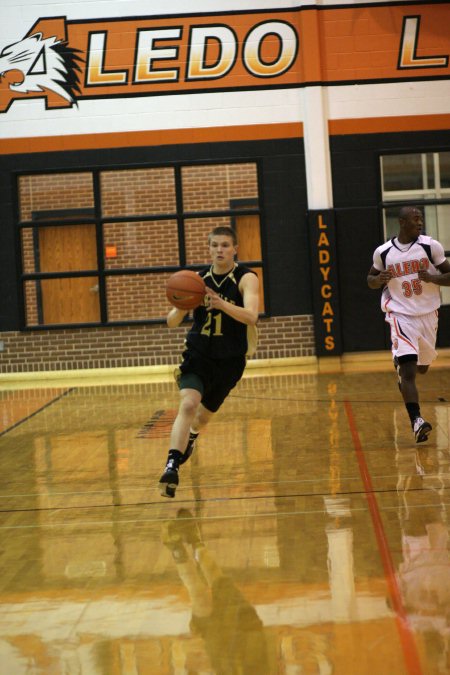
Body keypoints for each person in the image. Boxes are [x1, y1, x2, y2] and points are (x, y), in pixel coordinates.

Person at [159, 226, 259, 498]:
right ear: (209, 248)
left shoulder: (246, 278)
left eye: (225, 245)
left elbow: (252, 316)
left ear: (235, 248)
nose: (219, 250)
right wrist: (182, 302)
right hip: (199, 354)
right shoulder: (197, 279)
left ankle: (191, 436)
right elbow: (171, 322)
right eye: (214, 245)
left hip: (230, 360)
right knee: (189, 403)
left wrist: (221, 303)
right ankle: (171, 465)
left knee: (202, 417)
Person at [367, 206, 450, 443]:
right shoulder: (383, 252)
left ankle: (401, 365)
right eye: (415, 219)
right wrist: (378, 280)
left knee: (422, 367)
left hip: (428, 314)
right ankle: (417, 421)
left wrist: (432, 278)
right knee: (409, 370)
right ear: (402, 222)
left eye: (421, 219)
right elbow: (369, 279)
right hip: (400, 315)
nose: (420, 222)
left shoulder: (429, 246)